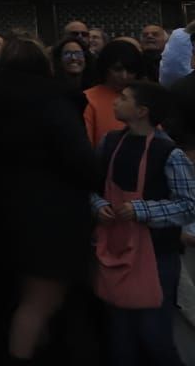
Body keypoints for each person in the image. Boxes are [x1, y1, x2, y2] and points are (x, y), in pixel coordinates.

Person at [0, 39, 98, 364]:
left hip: (0, 216)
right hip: (52, 218)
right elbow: (81, 160)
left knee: (16, 302)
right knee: (41, 304)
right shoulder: (52, 102)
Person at [91, 81, 195, 366]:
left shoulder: (168, 152)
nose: (115, 102)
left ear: (141, 111)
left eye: (124, 98)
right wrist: (98, 205)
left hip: (157, 256)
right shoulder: (110, 142)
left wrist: (141, 210)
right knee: (120, 337)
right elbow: (91, 187)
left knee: (154, 336)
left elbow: (189, 205)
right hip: (114, 249)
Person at [85, 39, 145, 147]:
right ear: (105, 68)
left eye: (131, 71)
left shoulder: (144, 96)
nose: (124, 76)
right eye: (117, 69)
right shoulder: (88, 99)